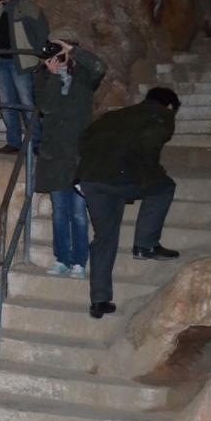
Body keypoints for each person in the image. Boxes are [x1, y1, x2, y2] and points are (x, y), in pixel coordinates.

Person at [76, 87, 183, 318]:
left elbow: (84, 139)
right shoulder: (161, 115)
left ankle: (100, 300)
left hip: (91, 180)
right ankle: (146, 244)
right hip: (120, 176)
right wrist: (148, 173)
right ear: (170, 106)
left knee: (104, 237)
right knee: (164, 187)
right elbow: (149, 145)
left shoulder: (115, 115)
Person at [33, 29, 105, 279]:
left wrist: (73, 51)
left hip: (78, 153)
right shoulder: (42, 76)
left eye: (60, 47)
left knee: (78, 211)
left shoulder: (84, 75)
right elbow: (46, 107)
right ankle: (62, 258)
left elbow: (100, 67)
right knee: (60, 210)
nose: (56, 52)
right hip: (54, 153)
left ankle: (79, 261)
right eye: (52, 46)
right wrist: (53, 77)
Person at [0, 0, 49, 155]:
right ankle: (13, 142)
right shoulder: (2, 11)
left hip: (20, 61)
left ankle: (35, 142)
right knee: (7, 104)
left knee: (26, 102)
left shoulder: (25, 5)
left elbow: (41, 28)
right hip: (2, 62)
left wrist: (38, 54)